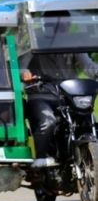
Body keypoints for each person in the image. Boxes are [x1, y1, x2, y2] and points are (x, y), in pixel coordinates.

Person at [20, 12, 98, 164]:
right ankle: (40, 159)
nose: (61, 28)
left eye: (64, 24)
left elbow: (88, 66)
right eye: (56, 24)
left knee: (89, 120)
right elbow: (21, 67)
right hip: (41, 94)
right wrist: (25, 74)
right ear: (46, 25)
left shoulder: (73, 43)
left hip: (68, 95)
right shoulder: (35, 42)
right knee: (47, 122)